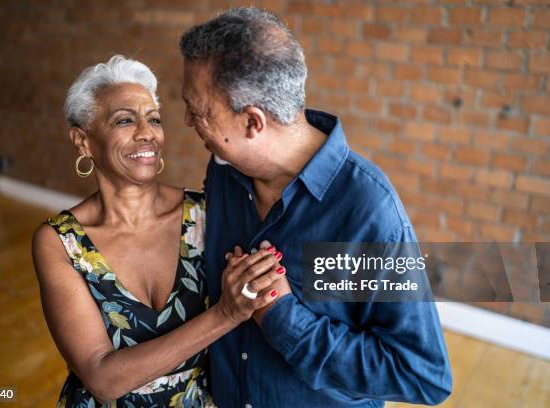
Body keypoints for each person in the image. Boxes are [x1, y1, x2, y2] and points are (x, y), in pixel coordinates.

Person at [179, 7, 453, 408]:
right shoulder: (225, 171)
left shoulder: (369, 214)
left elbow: (420, 375)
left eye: (200, 112)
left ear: (253, 123)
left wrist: (282, 316)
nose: (188, 120)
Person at [31, 55, 290, 408]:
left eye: (154, 119)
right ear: (83, 141)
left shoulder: (204, 212)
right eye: (125, 120)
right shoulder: (61, 243)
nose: (147, 133)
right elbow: (102, 378)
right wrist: (225, 314)